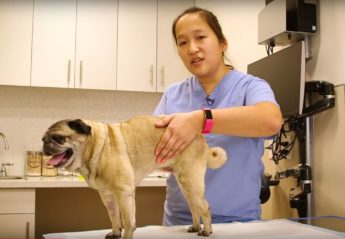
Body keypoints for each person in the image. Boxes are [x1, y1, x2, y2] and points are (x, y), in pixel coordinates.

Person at [153, 7, 282, 226]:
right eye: (182, 42)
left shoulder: (250, 86)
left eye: (200, 37)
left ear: (222, 43)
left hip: (237, 222)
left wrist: (200, 120)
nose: (192, 49)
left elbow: (271, 121)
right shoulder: (173, 94)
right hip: (180, 223)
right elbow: (154, 145)